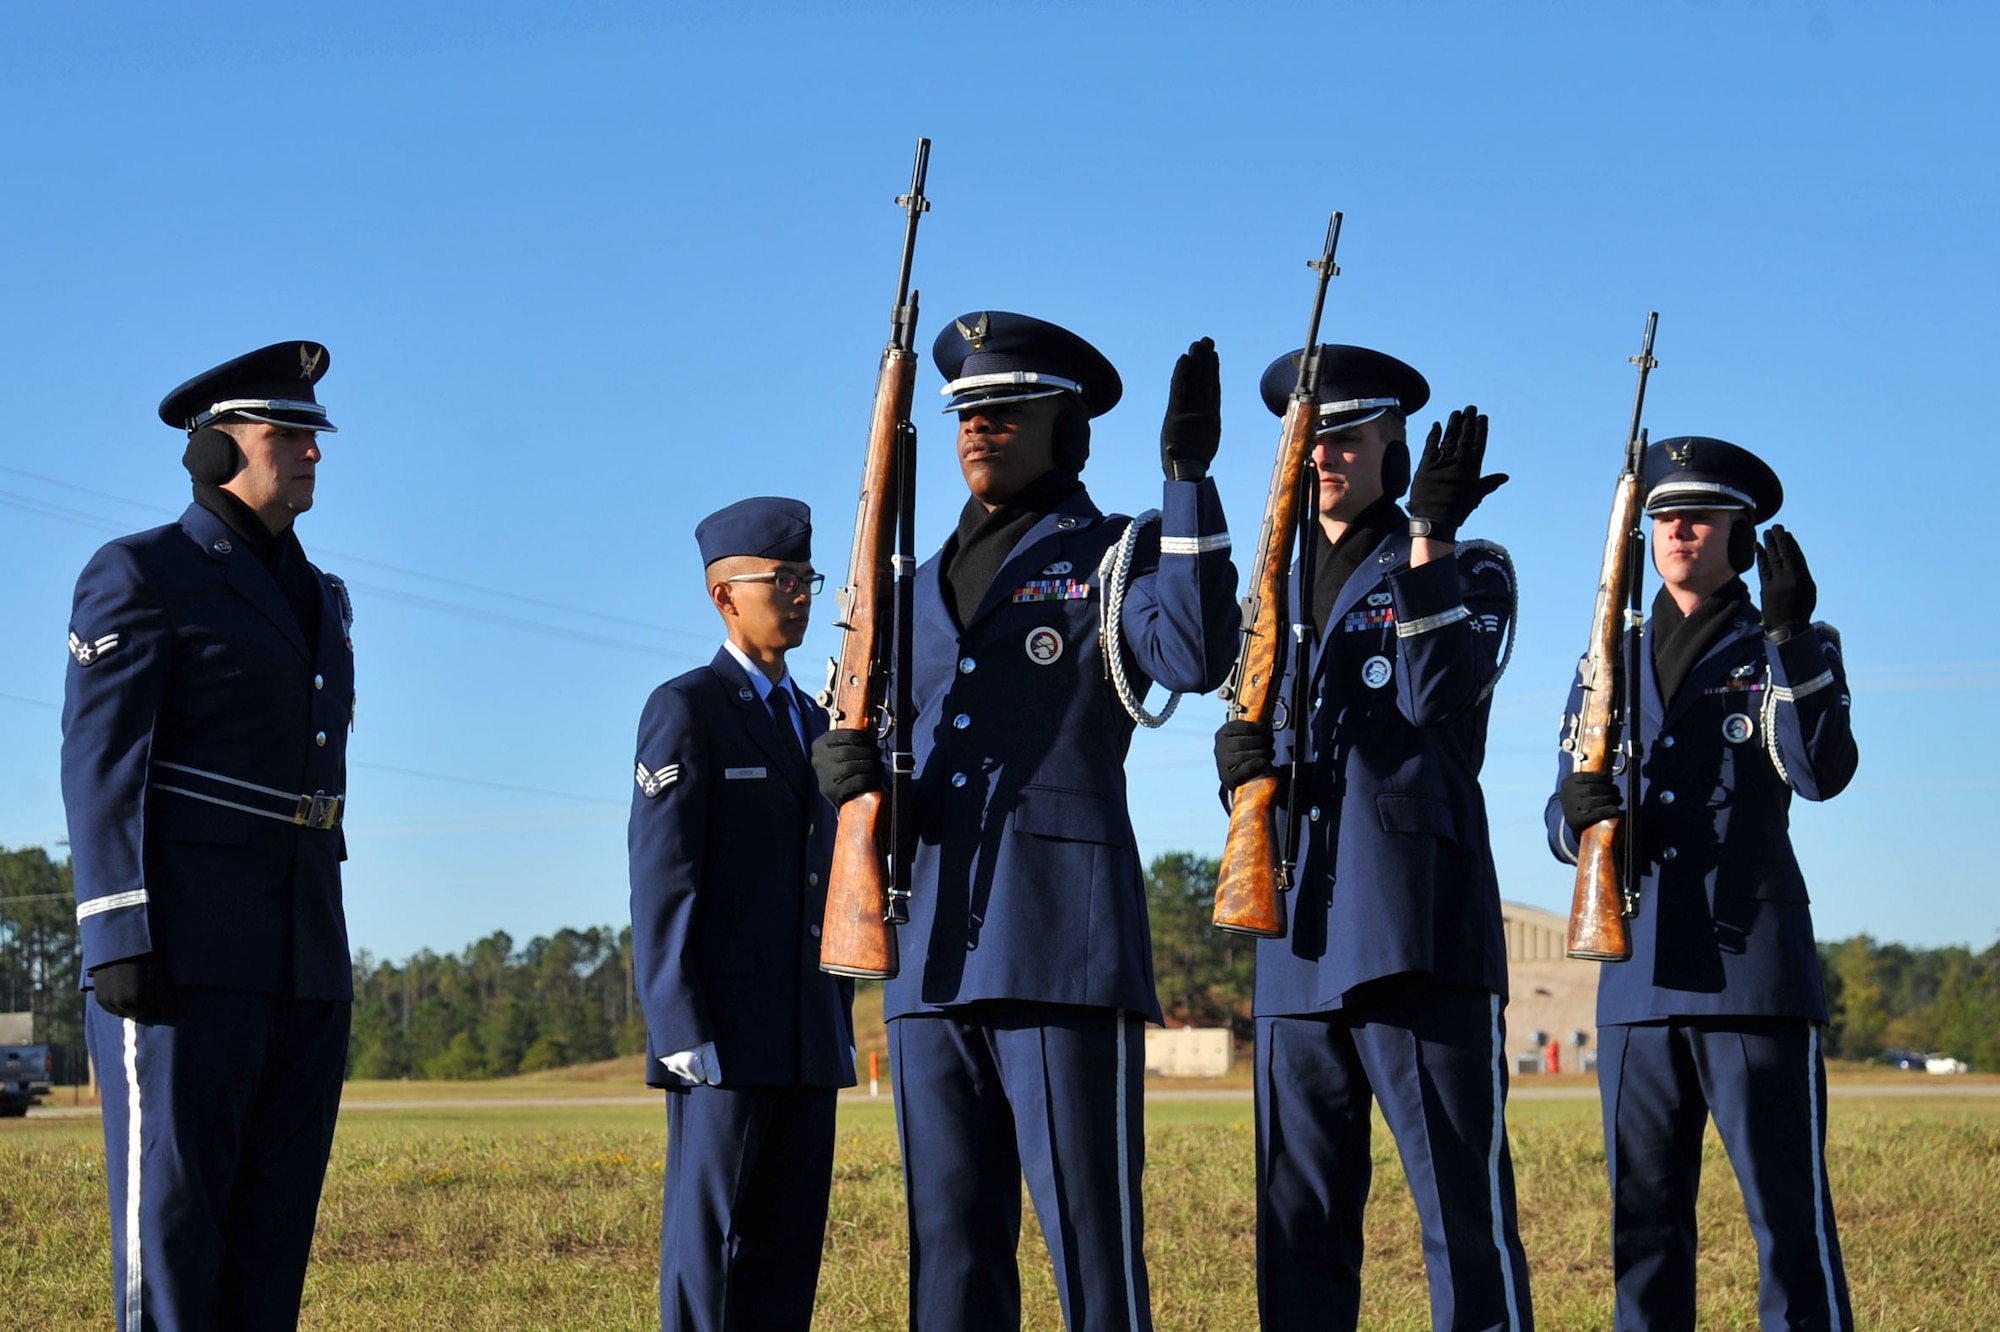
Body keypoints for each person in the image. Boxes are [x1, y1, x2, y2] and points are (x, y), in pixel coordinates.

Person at [811, 312, 1239, 1331]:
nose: (978, 428)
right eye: (964, 412)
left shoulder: (1114, 554)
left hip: (1055, 942)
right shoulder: (904, 592)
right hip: (925, 953)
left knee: (1089, 1244)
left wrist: (1185, 485)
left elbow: (1191, 655)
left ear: (1066, 427)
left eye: (1005, 410)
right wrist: (851, 775)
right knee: (949, 1253)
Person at [1213, 345, 1534, 1332]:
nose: (1321, 455)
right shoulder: (1268, 588)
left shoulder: (1466, 568)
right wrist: (1237, 764)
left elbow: (1432, 696)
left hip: (1412, 927)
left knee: (1458, 1218)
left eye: (1344, 436)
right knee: (1297, 1223)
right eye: (1306, 439)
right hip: (1293, 928)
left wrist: (1430, 538)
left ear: (1393, 445)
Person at [63, 340, 355, 1330]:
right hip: (183, 954)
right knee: (175, 1233)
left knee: (272, 1237)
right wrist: (115, 929)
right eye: (288, 435)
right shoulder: (143, 573)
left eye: (315, 436)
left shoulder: (322, 597)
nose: (312, 453)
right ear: (213, 450)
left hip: (301, 952)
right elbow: (101, 763)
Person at [1546, 436, 1857, 1331]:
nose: (1678, 529)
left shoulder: (1785, 644)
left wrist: (1793, 640)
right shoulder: (1604, 658)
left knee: (1788, 1229)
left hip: (1751, 977)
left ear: (1741, 535)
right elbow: (1559, 816)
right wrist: (1577, 814)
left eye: (1700, 516)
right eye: (1663, 517)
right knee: (1642, 1232)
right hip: (1636, 976)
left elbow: (1820, 769)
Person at [628, 496, 855, 1331]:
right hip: (723, 1030)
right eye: (781, 579)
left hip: (807, 1024)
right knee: (713, 1248)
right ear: (726, 596)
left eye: (806, 578)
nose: (800, 595)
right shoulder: (688, 709)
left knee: (789, 1248)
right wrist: (676, 1022)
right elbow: (663, 876)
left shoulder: (817, 721)